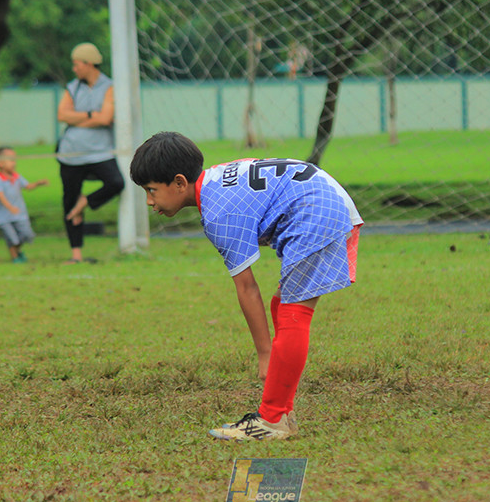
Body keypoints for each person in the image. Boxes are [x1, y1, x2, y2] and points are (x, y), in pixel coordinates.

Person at [129, 132, 364, 441]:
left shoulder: (218, 214)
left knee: (294, 315)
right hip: (324, 202)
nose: (149, 201)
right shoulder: (213, 183)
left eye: (151, 190)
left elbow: (247, 288)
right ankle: (282, 414)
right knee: (282, 306)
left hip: (316, 212)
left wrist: (265, 353)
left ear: (179, 182)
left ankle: (270, 420)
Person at [56, 42, 124, 264]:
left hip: (100, 152)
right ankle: (76, 254)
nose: (74, 69)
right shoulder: (72, 87)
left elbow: (105, 118)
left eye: (77, 64)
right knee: (69, 201)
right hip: (71, 153)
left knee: (116, 183)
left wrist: (78, 118)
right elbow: (62, 115)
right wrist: (89, 115)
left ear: (88, 64)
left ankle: (86, 201)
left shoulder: (110, 87)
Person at [0, 147, 48, 263]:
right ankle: (15, 257)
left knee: (28, 235)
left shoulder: (16, 176)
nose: (14, 163)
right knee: (12, 238)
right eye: (11, 160)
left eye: (14, 160)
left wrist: (38, 183)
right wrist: (10, 207)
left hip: (20, 214)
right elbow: (0, 195)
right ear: (0, 163)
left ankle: (17, 251)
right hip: (4, 216)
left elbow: (27, 186)